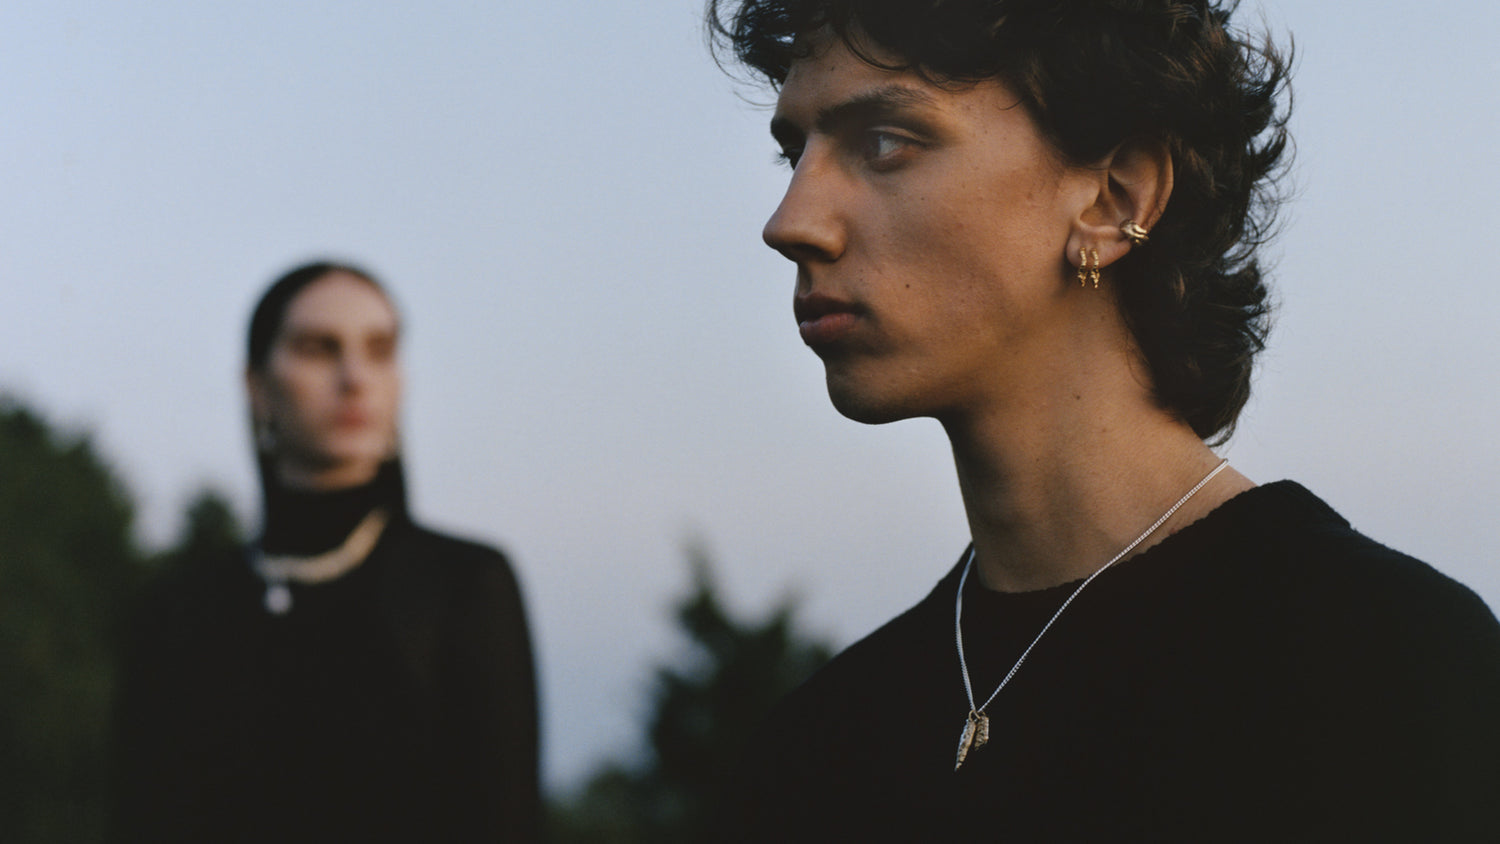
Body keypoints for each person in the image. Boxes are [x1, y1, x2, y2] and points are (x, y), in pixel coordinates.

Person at [705, 1, 1500, 839]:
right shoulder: (816, 750)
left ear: (1114, 197)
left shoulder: (1388, 668)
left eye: (882, 144)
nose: (790, 222)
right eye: (795, 152)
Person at [113, 262, 540, 842]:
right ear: (256, 385)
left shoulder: (465, 586)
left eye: (380, 350)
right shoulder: (177, 610)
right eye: (319, 348)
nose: (355, 377)